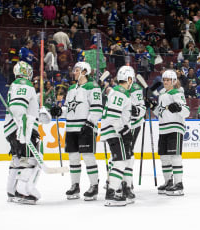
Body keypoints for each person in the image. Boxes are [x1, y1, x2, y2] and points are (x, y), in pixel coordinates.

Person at [50, 62, 102, 200]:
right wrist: (59, 111)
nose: (74, 72)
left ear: (85, 72)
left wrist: (90, 123)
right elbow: (68, 108)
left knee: (88, 157)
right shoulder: (72, 88)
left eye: (77, 70)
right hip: (71, 128)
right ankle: (75, 185)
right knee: (73, 158)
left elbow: (97, 108)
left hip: (86, 127)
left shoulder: (93, 87)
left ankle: (94, 186)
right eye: (74, 70)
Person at [5, 61, 51, 204]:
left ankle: (12, 191)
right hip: (23, 128)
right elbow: (18, 107)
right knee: (29, 158)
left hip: (13, 128)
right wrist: (23, 127)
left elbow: (26, 108)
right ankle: (22, 191)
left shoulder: (16, 84)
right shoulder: (24, 83)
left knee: (17, 158)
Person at [145, 70, 190, 196]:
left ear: (174, 81)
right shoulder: (162, 94)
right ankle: (168, 182)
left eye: (168, 80)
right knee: (164, 157)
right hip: (163, 128)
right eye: (164, 80)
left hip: (175, 128)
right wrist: (153, 106)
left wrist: (179, 108)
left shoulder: (177, 93)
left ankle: (179, 183)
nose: (165, 82)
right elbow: (160, 113)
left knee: (175, 157)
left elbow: (186, 111)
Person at [100, 66, 135, 206]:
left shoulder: (117, 92)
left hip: (113, 131)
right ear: (130, 79)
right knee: (120, 162)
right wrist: (123, 131)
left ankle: (120, 189)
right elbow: (114, 115)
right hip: (115, 132)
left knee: (125, 160)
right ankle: (112, 193)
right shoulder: (121, 92)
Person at [127, 66, 146, 193]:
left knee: (127, 150)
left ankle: (128, 181)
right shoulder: (120, 87)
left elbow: (141, 108)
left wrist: (137, 111)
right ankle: (113, 178)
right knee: (119, 151)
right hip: (121, 123)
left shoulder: (136, 88)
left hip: (133, 123)